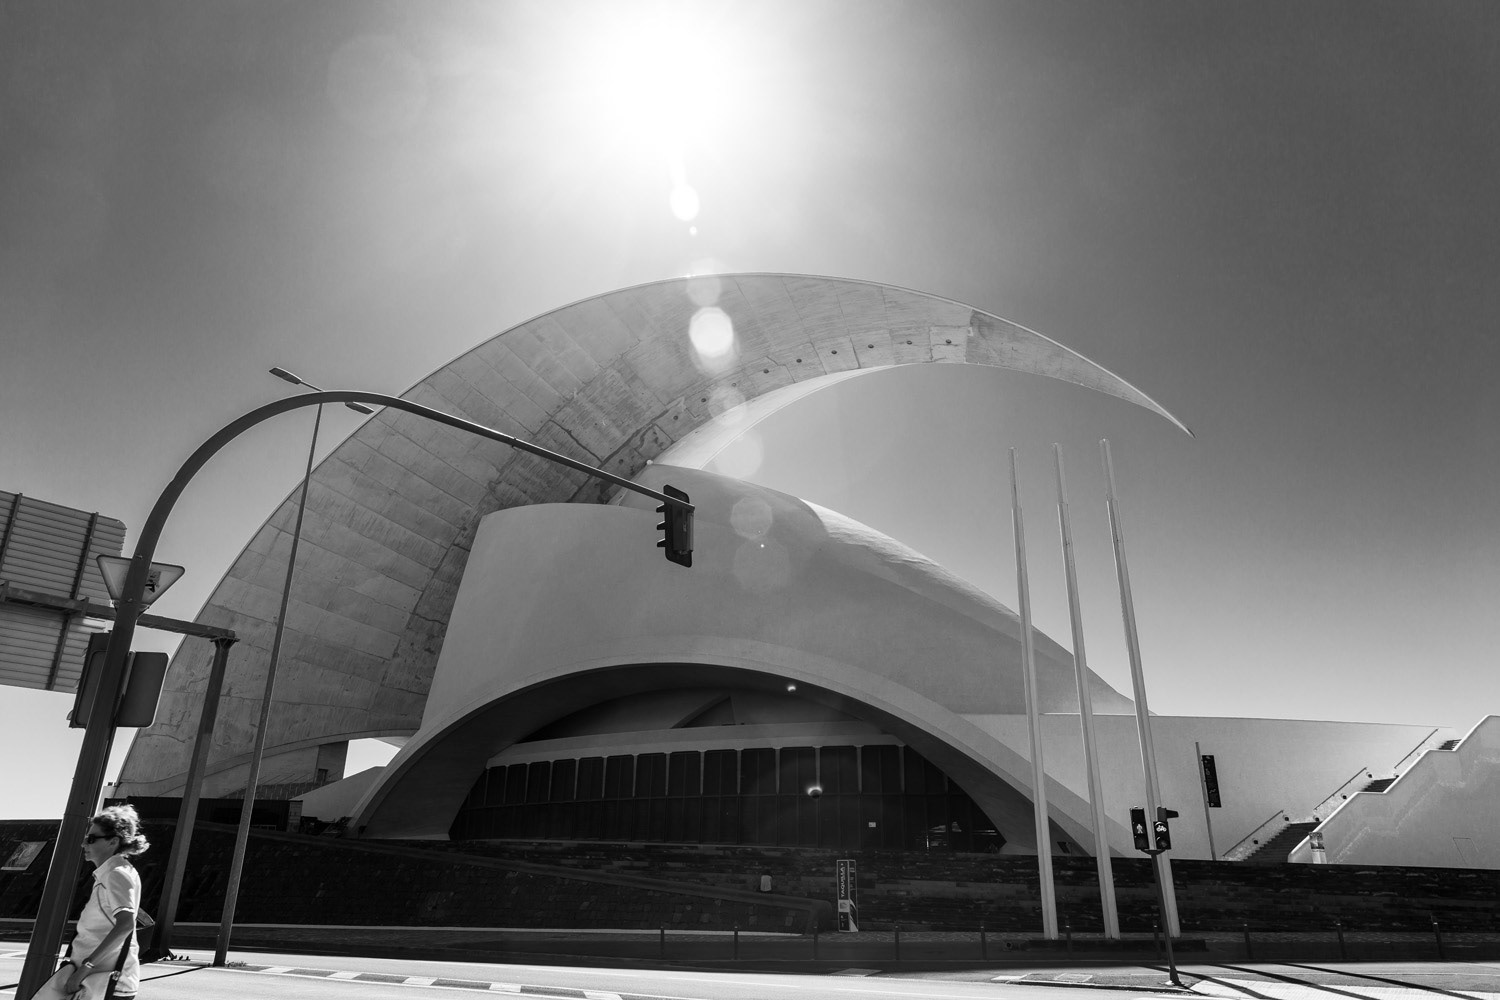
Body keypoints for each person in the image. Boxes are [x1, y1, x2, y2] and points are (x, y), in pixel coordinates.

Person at [30, 805, 148, 1000]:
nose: (84, 843)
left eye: (92, 839)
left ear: (113, 841)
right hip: (95, 982)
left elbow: (126, 924)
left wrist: (85, 968)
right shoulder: (111, 873)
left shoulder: (116, 873)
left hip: (102, 983)